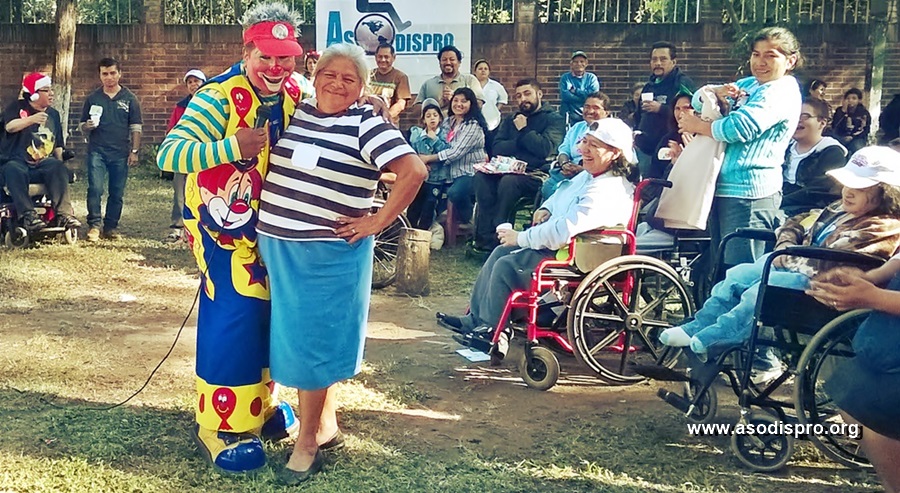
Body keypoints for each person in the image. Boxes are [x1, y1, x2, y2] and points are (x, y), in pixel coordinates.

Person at [256, 43, 427, 484]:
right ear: (314, 76)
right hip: (280, 249)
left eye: (349, 78)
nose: (336, 83)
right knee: (299, 341)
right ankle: (325, 425)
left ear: (362, 87)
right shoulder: (301, 113)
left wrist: (377, 221)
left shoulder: (366, 122)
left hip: (325, 256)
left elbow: (413, 172)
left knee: (312, 346)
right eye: (329, 74)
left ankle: (307, 443)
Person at [156, 2, 308, 474]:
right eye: (266, 56)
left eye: (286, 58)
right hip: (221, 232)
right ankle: (218, 424)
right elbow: (170, 154)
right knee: (235, 313)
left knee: (269, 314)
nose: (276, 67)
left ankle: (259, 407)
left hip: (273, 230)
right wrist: (230, 146)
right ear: (247, 50)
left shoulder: (292, 92)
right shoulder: (217, 97)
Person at [659, 146, 900, 370]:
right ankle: (699, 325)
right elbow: (796, 222)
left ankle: (717, 337)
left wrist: (786, 255)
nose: (848, 192)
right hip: (797, 268)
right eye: (847, 184)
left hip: (822, 288)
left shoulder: (883, 228)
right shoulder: (837, 209)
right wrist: (786, 242)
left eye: (860, 188)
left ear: (886, 193)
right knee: (737, 275)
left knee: (763, 289)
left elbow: (833, 264)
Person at [437, 118, 637, 359]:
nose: (583, 149)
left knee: (506, 265)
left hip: (578, 257)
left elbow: (563, 231)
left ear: (614, 153)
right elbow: (563, 192)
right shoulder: (589, 177)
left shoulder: (608, 189)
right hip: (565, 248)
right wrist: (547, 208)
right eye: (585, 141)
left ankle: (492, 331)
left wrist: (521, 237)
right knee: (500, 253)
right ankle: (477, 322)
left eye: (593, 145)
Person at [677, 27, 803, 265]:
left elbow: (742, 127)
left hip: (751, 195)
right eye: (756, 54)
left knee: (742, 269)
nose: (760, 62)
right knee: (721, 267)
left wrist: (698, 125)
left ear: (791, 60)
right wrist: (715, 91)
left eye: (770, 55)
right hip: (721, 188)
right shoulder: (751, 84)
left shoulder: (782, 90)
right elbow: (696, 98)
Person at [807, 255, 900, 493]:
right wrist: (869, 278)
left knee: (877, 410)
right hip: (885, 350)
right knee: (854, 399)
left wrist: (875, 297)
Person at [472, 78, 566, 252]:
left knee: (509, 182)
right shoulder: (511, 119)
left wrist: (523, 131)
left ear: (539, 94)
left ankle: (498, 236)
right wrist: (523, 142)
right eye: (518, 96)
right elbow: (497, 147)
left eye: (527, 94)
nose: (523, 99)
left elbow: (545, 149)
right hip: (505, 169)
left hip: (536, 174)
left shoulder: (554, 119)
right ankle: (482, 238)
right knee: (481, 177)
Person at [0, 72, 80, 231]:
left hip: (42, 164)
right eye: (46, 90)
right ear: (34, 95)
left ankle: (63, 215)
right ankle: (28, 216)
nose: (52, 93)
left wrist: (61, 162)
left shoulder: (54, 115)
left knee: (56, 166)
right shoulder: (16, 107)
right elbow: (10, 126)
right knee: (13, 168)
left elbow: (57, 144)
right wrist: (31, 119)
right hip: (17, 162)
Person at [79, 57, 143, 242]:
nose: (109, 77)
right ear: (99, 75)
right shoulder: (93, 98)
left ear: (119, 74)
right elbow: (81, 124)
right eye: (104, 74)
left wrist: (135, 151)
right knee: (95, 189)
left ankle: (111, 227)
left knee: (116, 192)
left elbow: (136, 127)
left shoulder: (130, 99)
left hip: (120, 152)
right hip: (97, 151)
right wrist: (87, 126)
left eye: (112, 73)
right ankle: (94, 226)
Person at [415, 88, 485, 231]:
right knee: (425, 190)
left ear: (471, 104)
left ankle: (469, 219)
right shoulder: (448, 121)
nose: (459, 104)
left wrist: (428, 158)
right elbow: (435, 140)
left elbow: (455, 152)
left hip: (468, 171)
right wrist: (423, 159)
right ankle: (424, 224)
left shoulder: (473, 126)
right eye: (456, 100)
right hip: (445, 171)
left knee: (455, 192)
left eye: (464, 101)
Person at [634, 41, 695, 177]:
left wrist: (660, 108)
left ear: (673, 62)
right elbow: (638, 114)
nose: (658, 63)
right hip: (644, 149)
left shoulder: (682, 83)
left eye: (663, 59)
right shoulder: (649, 86)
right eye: (654, 59)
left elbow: (690, 112)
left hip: (669, 148)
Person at [781, 97, 848, 215]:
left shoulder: (832, 152)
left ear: (822, 123)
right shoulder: (784, 148)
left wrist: (780, 201)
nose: (798, 120)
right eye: (795, 115)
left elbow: (820, 190)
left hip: (808, 212)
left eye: (804, 116)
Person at [540, 91, 610, 201]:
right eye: (587, 107)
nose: (590, 111)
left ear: (606, 112)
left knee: (566, 192)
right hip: (570, 171)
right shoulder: (577, 128)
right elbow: (564, 150)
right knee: (548, 187)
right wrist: (565, 164)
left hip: (595, 176)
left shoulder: (611, 132)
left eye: (596, 107)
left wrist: (583, 170)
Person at [164, 68, 207, 242]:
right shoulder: (180, 107)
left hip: (204, 155)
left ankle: (202, 227)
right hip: (183, 155)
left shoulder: (212, 104)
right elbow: (171, 131)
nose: (193, 85)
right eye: (189, 82)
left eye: (196, 81)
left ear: (204, 83)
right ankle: (178, 227)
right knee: (180, 193)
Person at [405, 98, 450, 230]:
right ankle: (409, 228)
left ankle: (424, 231)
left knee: (430, 204)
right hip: (421, 177)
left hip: (436, 179)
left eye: (435, 115)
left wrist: (434, 139)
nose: (432, 119)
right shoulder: (417, 135)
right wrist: (420, 162)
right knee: (415, 203)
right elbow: (412, 152)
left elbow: (446, 153)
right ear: (423, 120)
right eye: (428, 116)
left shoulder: (443, 135)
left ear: (440, 118)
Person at [413, 45, 484, 115]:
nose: (448, 62)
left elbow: (479, 105)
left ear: (459, 62)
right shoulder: (429, 84)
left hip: (463, 125)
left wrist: (455, 100)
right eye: (444, 60)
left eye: (452, 59)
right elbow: (416, 111)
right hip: (437, 126)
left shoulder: (470, 80)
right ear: (439, 63)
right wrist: (435, 105)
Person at [368, 43, 411, 127]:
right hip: (369, 121)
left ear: (393, 57)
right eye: (380, 56)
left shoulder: (400, 77)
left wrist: (386, 117)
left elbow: (401, 104)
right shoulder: (368, 75)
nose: (383, 60)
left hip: (389, 123)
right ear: (375, 57)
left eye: (386, 57)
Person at [473, 59, 508, 155]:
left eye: (485, 69)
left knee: (491, 148)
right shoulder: (470, 85)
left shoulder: (496, 86)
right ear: (475, 71)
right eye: (480, 69)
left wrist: (496, 109)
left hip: (492, 122)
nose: (483, 71)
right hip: (474, 122)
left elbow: (503, 99)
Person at [557, 50, 600, 127]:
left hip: (588, 115)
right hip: (569, 116)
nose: (579, 64)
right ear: (571, 64)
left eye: (581, 61)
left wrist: (576, 91)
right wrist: (586, 97)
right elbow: (565, 97)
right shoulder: (565, 78)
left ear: (586, 63)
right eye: (576, 62)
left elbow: (594, 96)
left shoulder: (592, 78)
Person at [833, 88, 871, 155]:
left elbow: (866, 130)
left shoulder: (863, 113)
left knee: (857, 147)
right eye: (848, 98)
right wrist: (843, 111)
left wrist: (852, 137)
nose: (850, 100)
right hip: (841, 137)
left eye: (854, 98)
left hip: (857, 138)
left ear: (859, 100)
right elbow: (835, 125)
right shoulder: (840, 111)